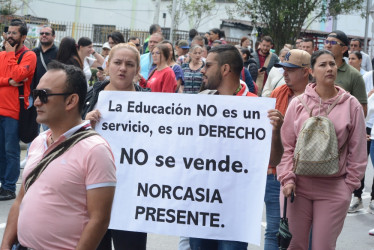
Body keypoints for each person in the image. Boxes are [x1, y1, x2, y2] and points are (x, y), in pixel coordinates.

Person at [0, 61, 116, 249]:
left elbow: (100, 219)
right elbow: (21, 199)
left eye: (43, 95)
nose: (36, 101)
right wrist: (5, 245)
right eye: (36, 94)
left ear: (71, 101)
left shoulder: (96, 150)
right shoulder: (39, 141)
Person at [189, 44, 283, 250]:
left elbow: (273, 161)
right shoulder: (199, 102)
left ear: (225, 69)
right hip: (200, 206)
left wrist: (275, 133)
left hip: (235, 210)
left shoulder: (255, 107)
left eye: (209, 65)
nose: (203, 69)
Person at [278, 49, 367, 250]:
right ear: (311, 71)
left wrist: (348, 187)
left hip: (334, 189)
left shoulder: (351, 105)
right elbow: (287, 147)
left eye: (332, 64)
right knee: (294, 246)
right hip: (296, 188)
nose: (329, 69)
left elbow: (358, 151)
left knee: (323, 247)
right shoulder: (297, 104)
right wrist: (287, 178)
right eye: (323, 65)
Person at [83, 43, 149, 250]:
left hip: (132, 196)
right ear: (107, 65)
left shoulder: (151, 103)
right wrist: (84, 124)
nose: (122, 68)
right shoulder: (89, 98)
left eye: (129, 64)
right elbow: (67, 139)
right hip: (93, 194)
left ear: (137, 70)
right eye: (117, 63)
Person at [264, 49, 311, 250]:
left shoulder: (318, 97)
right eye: (283, 68)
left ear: (306, 71)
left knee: (304, 233)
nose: (285, 74)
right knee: (274, 231)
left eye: (290, 69)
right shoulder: (277, 93)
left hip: (308, 176)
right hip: (276, 174)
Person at [0, 19, 36, 200]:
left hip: (14, 111)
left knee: (11, 150)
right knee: (1, 150)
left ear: (23, 36)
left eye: (14, 33)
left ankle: (8, 187)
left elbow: (18, 75)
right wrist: (7, 82)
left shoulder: (29, 56)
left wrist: (10, 55)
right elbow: (9, 78)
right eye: (9, 32)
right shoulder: (3, 55)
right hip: (0, 109)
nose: (10, 36)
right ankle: (2, 184)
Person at [324, 30, 367, 116]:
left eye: (333, 42)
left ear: (343, 49)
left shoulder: (354, 75)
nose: (328, 45)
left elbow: (362, 111)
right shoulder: (317, 70)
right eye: (327, 42)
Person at [31, 26, 58, 91]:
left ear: (54, 36)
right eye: (41, 33)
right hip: (33, 92)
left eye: (47, 34)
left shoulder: (58, 52)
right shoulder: (33, 52)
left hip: (50, 91)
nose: (44, 35)